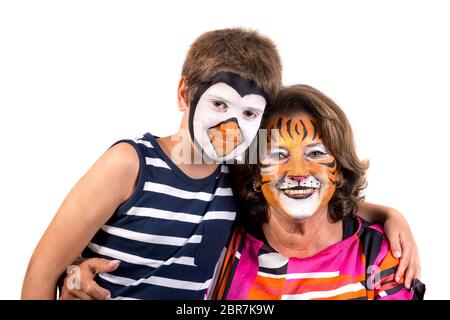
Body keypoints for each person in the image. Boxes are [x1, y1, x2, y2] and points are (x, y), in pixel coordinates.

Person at [23, 29, 420, 300]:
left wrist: (388, 215)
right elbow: (44, 270)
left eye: (250, 113)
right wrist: (72, 276)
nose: (231, 125)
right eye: (218, 104)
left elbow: (309, 187)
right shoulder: (128, 165)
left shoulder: (234, 175)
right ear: (185, 94)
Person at [210, 84, 425, 300]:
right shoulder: (223, 246)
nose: (298, 172)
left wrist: (390, 215)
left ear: (340, 169)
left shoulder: (377, 254)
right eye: (278, 155)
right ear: (255, 173)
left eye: (315, 153)